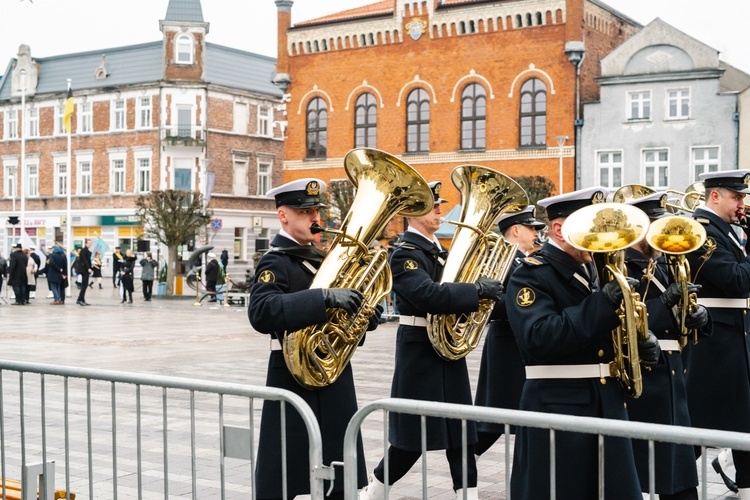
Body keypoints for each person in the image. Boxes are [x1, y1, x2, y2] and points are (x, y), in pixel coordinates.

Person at [504, 186, 661, 499]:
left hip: (607, 403)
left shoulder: (593, 269)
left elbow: (604, 336)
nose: (599, 233)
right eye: (590, 224)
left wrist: (640, 344)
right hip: (558, 407)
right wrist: (601, 305)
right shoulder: (531, 274)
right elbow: (539, 337)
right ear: (560, 229)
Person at [360, 181, 504, 500]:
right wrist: (476, 291)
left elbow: (457, 297)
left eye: (439, 203)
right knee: (410, 440)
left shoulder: (440, 252)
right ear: (412, 212)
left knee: (461, 435)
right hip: (419, 351)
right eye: (432, 204)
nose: (440, 209)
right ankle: (374, 493)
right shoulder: (404, 254)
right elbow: (427, 295)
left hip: (448, 350)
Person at [248, 178, 378, 499]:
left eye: (317, 210)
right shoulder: (276, 260)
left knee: (339, 470)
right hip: (292, 376)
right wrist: (324, 298)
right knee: (289, 474)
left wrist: (362, 313)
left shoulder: (324, 259)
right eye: (306, 211)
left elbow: (344, 317)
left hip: (334, 375)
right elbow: (261, 312)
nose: (315, 218)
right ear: (283, 216)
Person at [622, 192, 710, 500]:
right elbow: (628, 322)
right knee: (647, 472)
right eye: (656, 225)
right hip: (646, 377)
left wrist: (699, 315)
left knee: (680, 475)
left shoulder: (662, 264)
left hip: (674, 374)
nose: (663, 234)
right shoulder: (624, 267)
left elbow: (679, 320)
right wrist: (666, 300)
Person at [684, 169, 750, 499]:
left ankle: (744, 482)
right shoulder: (702, 231)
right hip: (715, 339)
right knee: (700, 423)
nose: (742, 203)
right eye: (737, 197)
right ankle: (668, 481)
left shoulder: (729, 230)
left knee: (743, 414)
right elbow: (736, 280)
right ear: (715, 196)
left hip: (735, 334)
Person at [474, 204, 545, 458]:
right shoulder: (498, 258)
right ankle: (463, 468)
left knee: (520, 417)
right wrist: (526, 302)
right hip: (506, 346)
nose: (536, 233)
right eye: (531, 228)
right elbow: (488, 306)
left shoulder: (527, 260)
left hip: (520, 345)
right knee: (493, 421)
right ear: (516, 230)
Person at [76, 238, 93, 306]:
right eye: (89, 243)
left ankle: (82, 299)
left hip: (86, 270)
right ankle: (79, 299)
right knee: (84, 285)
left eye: (91, 243)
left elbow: (88, 260)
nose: (90, 244)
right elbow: (85, 260)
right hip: (84, 270)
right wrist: (88, 268)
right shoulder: (83, 250)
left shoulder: (87, 250)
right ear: (86, 243)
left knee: (85, 285)